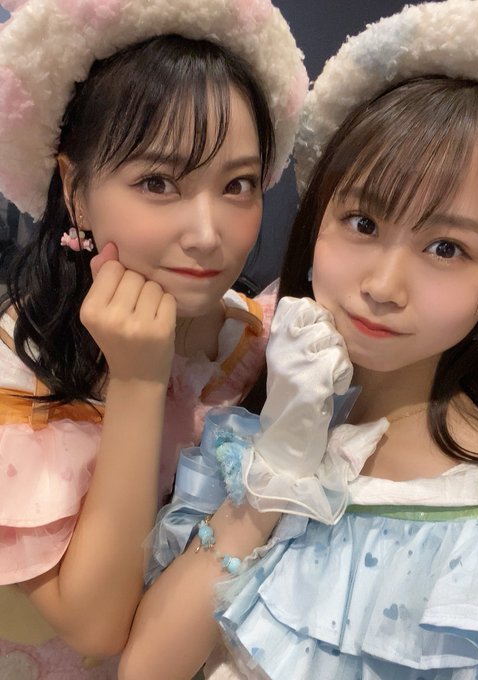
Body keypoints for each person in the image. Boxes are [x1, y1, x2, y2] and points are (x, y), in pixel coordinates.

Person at [120, 1, 478, 679]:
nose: (384, 285)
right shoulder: (255, 430)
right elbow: (146, 668)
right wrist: (278, 466)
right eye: (363, 223)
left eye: (447, 247)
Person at [0, 0, 307, 677]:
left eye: (238, 184)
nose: (207, 233)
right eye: (159, 182)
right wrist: (139, 380)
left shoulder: (263, 340)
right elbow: (98, 625)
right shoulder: (19, 369)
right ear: (76, 190)